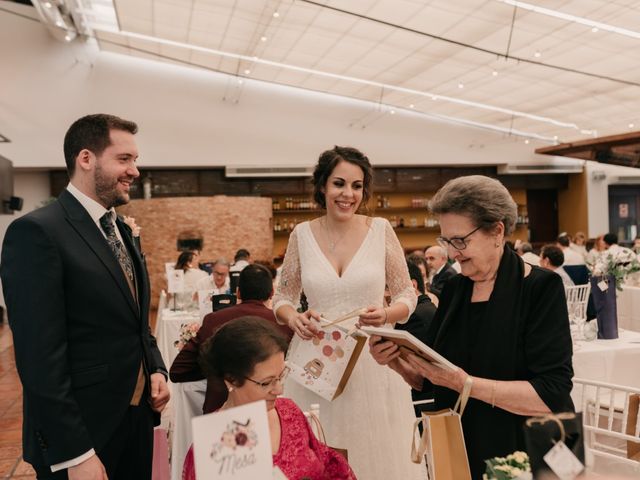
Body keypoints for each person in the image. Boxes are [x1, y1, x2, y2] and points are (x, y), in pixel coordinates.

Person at [370, 175, 574, 479]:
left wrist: (464, 384)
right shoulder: (455, 289)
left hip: (528, 446)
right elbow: (433, 379)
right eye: (446, 241)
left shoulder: (541, 288)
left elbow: (552, 392)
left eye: (460, 241)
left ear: (497, 231)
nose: (453, 253)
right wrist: (396, 362)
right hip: (463, 442)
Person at [0, 114, 169, 479]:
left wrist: (154, 366)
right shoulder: (36, 232)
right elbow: (38, 358)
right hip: (84, 432)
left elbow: (135, 319)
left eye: (135, 160)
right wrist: (74, 452)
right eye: (124, 159)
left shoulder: (119, 227)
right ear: (86, 158)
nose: (135, 171)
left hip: (135, 417)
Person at [273, 146, 422, 480]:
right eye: (340, 183)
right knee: (320, 444)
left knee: (376, 451)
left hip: (371, 359)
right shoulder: (302, 234)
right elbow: (282, 296)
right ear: (323, 186)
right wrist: (294, 317)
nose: (348, 194)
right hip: (316, 363)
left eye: (357, 186)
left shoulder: (381, 229)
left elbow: (407, 294)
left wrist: (386, 315)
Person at [181, 317, 356, 480]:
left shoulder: (289, 412)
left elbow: (328, 466)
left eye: (280, 377)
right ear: (231, 380)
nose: (279, 390)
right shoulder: (213, 441)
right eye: (266, 383)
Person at [170, 264, 292, 413]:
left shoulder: (213, 320)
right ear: (272, 292)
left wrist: (215, 373)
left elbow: (178, 370)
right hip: (270, 409)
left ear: (238, 292)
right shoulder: (283, 324)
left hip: (221, 410)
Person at [395, 261, 437, 418]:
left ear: (413, 285)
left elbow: (417, 369)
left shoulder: (415, 317)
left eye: (388, 288)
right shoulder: (426, 308)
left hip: (422, 402)